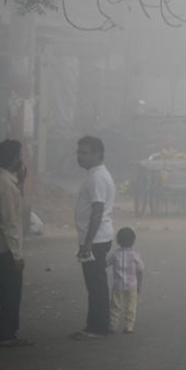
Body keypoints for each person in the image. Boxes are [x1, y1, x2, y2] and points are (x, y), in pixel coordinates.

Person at [0, 139, 31, 347]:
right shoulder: (5, 186)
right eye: (19, 156)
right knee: (11, 293)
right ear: (14, 159)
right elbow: (10, 223)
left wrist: (20, 182)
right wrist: (17, 255)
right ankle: (7, 334)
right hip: (7, 248)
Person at [73, 135, 115, 340]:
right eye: (78, 152)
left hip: (96, 239)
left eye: (84, 153)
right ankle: (96, 324)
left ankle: (98, 327)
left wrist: (87, 243)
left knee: (96, 283)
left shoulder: (97, 177)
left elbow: (97, 210)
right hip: (96, 237)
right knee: (95, 283)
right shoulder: (95, 174)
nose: (79, 156)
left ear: (98, 154)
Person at [107, 227, 143, 334]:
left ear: (118, 241)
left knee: (115, 306)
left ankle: (113, 325)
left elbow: (105, 264)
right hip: (132, 286)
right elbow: (140, 271)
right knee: (131, 306)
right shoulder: (135, 256)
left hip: (118, 285)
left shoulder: (115, 254)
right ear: (133, 241)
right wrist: (139, 285)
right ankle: (129, 327)